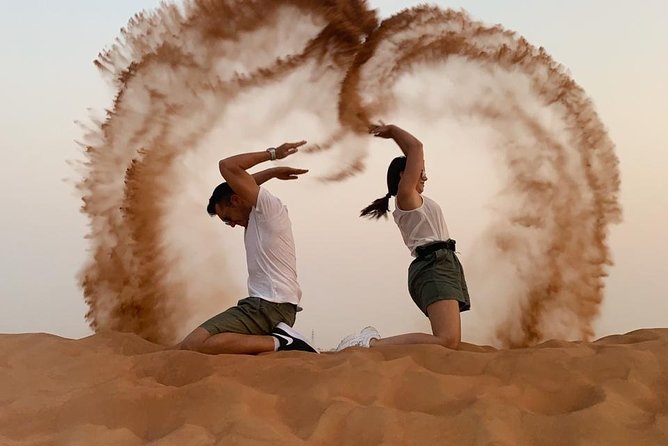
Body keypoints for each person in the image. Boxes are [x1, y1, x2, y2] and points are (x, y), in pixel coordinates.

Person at [337, 124, 470, 351]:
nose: (425, 177)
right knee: (448, 340)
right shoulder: (406, 197)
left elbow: (414, 154)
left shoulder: (415, 199)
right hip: (433, 265)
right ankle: (370, 344)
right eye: (421, 172)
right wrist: (392, 131)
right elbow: (416, 147)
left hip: (443, 264)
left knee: (449, 340)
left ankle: (371, 344)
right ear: (404, 175)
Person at [177, 141, 318, 354]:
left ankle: (284, 343)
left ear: (235, 201)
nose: (231, 224)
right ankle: (280, 340)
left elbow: (227, 166)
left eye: (227, 218)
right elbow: (241, 185)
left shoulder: (267, 210)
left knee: (193, 344)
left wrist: (273, 154)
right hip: (269, 307)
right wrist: (272, 172)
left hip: (269, 306)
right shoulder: (255, 217)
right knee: (184, 347)